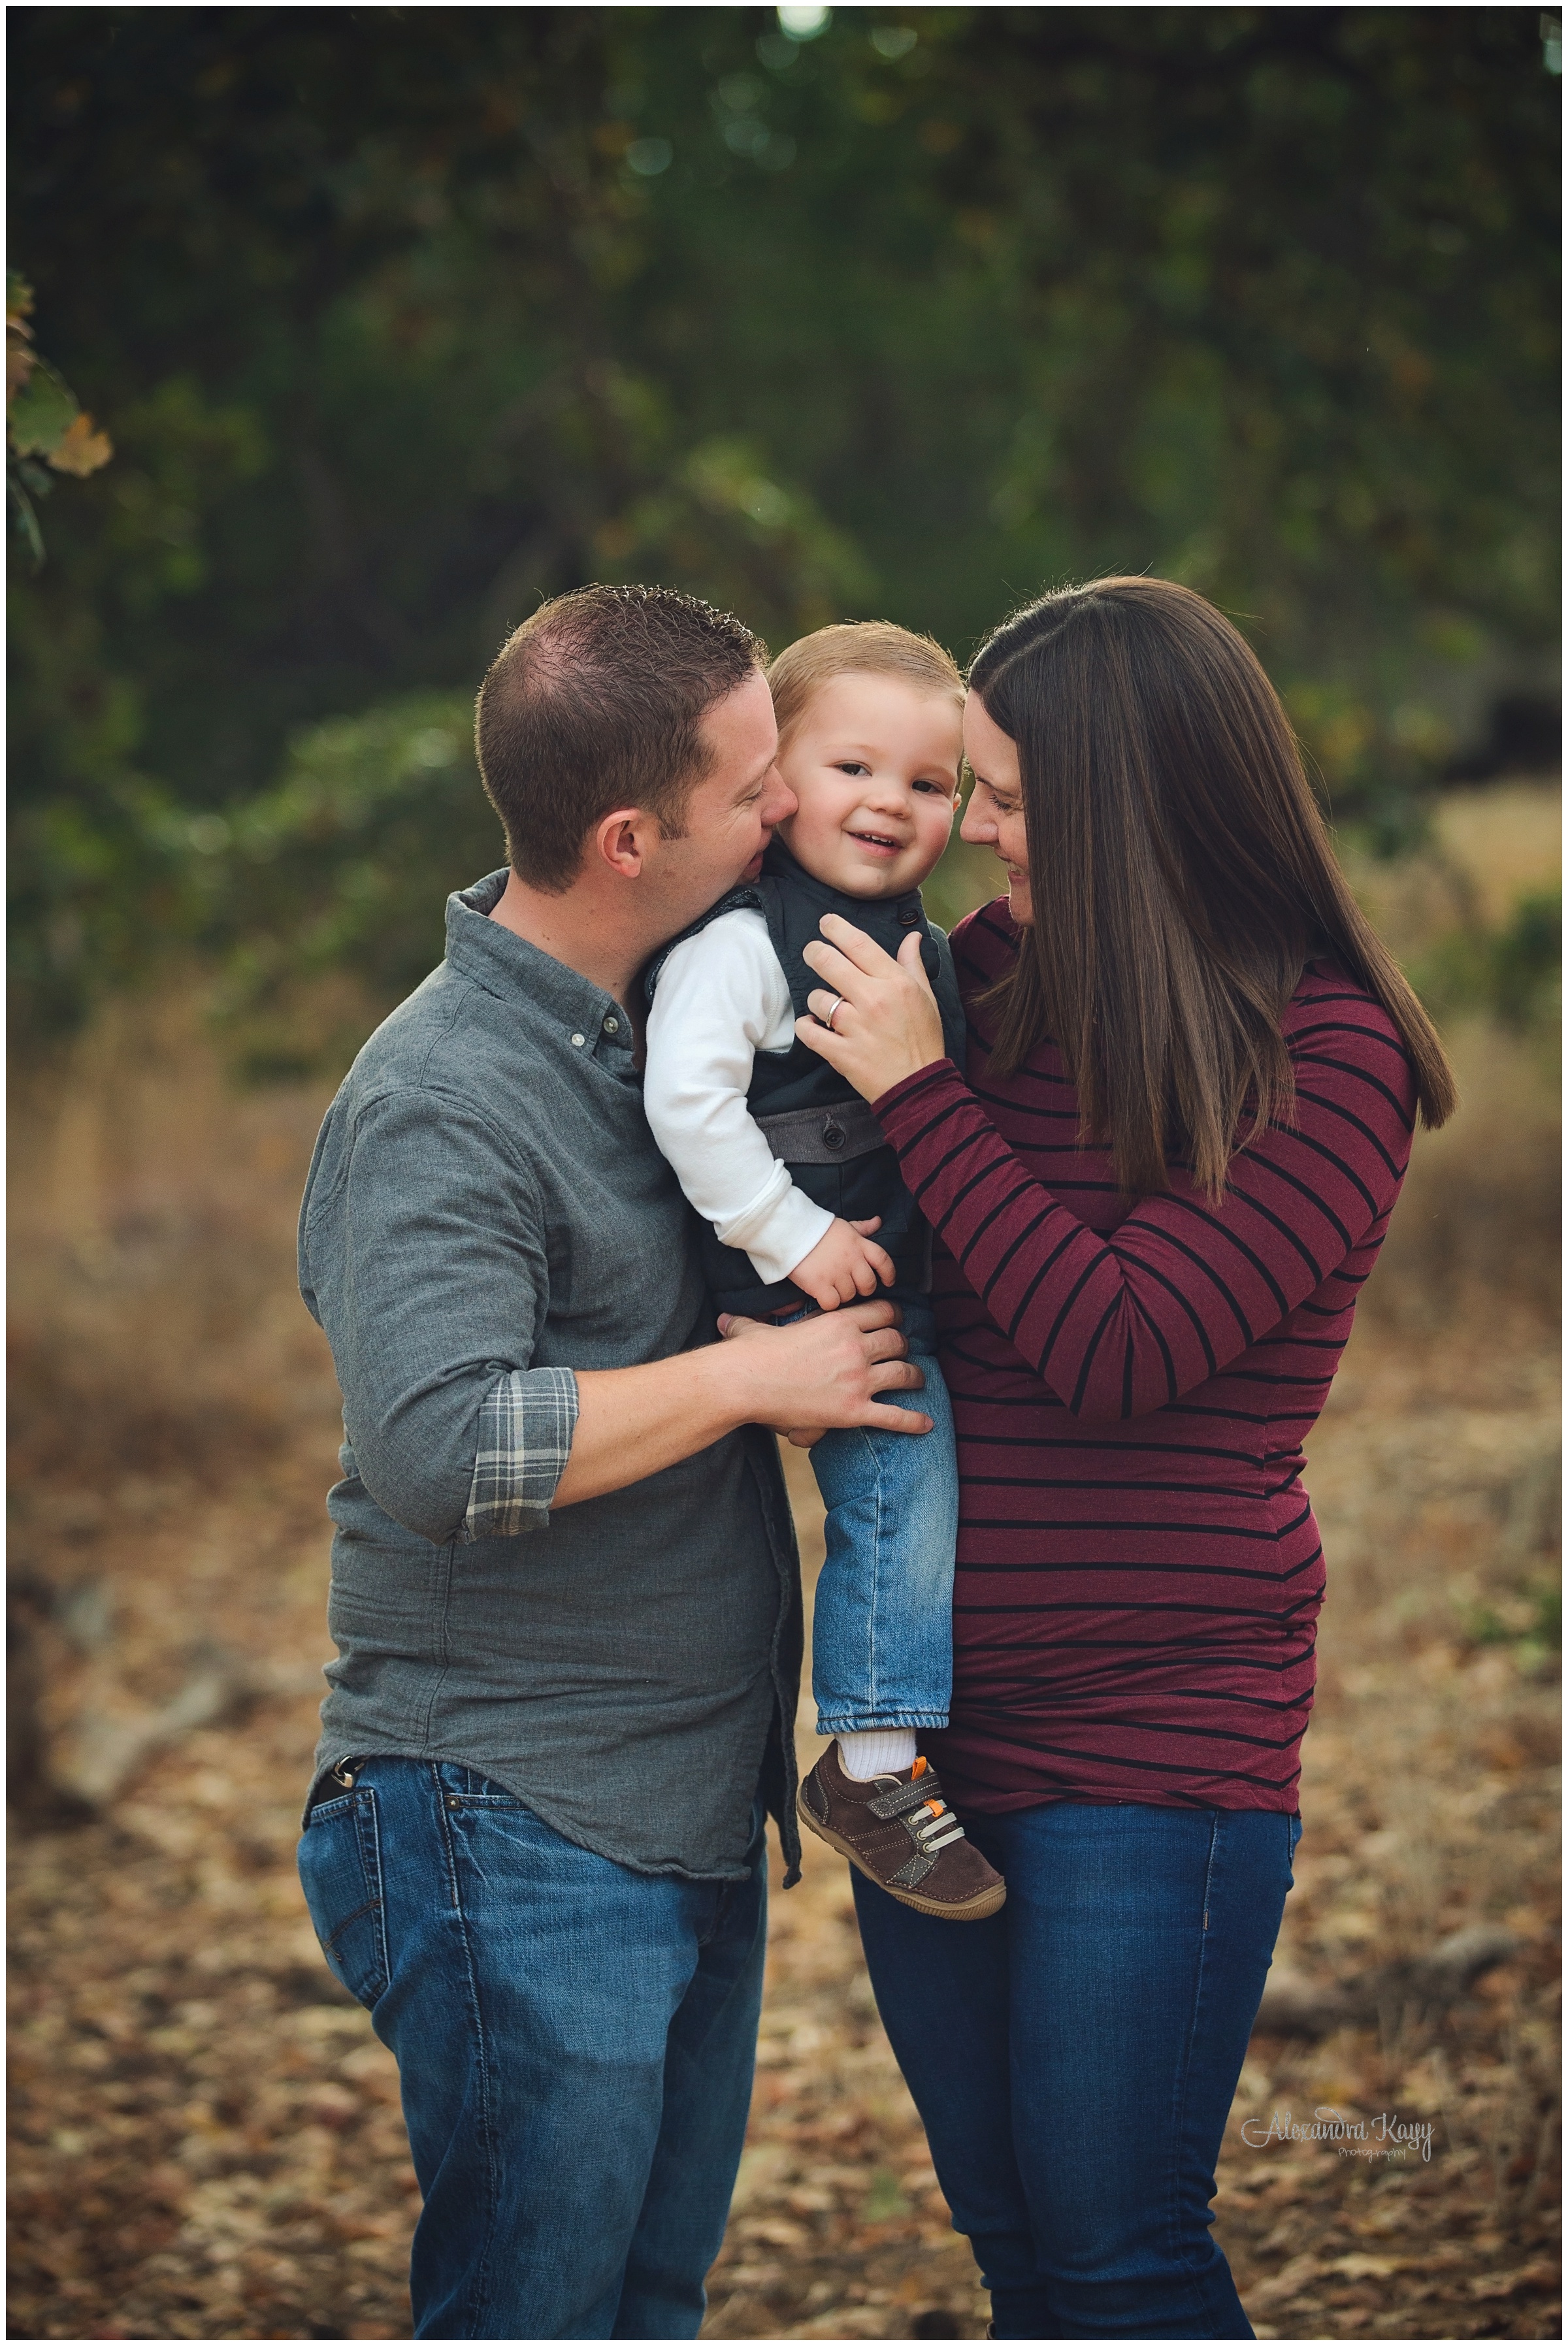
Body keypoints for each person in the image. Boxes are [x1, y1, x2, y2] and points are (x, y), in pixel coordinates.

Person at [774, 577, 1456, 2339]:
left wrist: (927, 1097)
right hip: (920, 1735)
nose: (972, 831)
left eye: (1005, 797)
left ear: (1131, 799)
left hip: (1157, 1740)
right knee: (1018, 2251)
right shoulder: (979, 984)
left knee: (1120, 2252)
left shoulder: (1329, 1048)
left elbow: (1123, 1350)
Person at [293, 583, 930, 2341]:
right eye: (757, 786)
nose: (792, 810)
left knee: (645, 2303)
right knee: (540, 2313)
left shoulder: (672, 1021)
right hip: (515, 1814)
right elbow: (443, 1443)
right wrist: (749, 1386)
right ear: (633, 836)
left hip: (676, 1804)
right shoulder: (444, 1100)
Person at [644, 623, 1004, 1923]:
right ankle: (869, 1766)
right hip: (795, 1280)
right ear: (779, 777)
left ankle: (873, 1749)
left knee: (910, 1500)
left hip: (877, 1273)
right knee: (904, 1489)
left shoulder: (920, 935)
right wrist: (792, 1235)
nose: (891, 805)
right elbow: (685, 1097)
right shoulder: (747, 941)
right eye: (855, 767)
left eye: (927, 783)